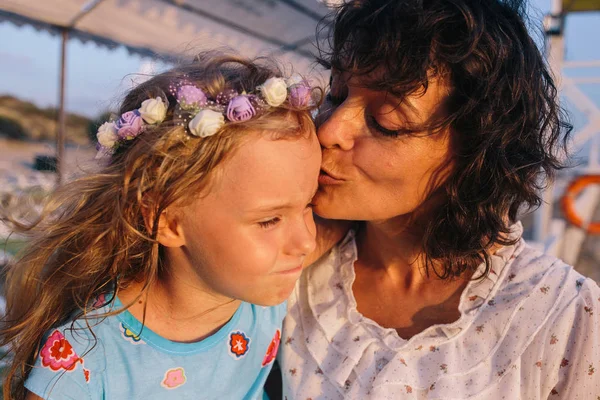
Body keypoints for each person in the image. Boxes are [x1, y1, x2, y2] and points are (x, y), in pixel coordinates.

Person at [279, 0, 600, 398]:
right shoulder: (286, 269)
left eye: (385, 122)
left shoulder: (564, 317)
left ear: (474, 155)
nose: (330, 130)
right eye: (337, 94)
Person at [0, 52, 322, 400]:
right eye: (269, 220)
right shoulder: (81, 363)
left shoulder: (263, 287)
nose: (306, 241)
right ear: (164, 219)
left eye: (309, 205)